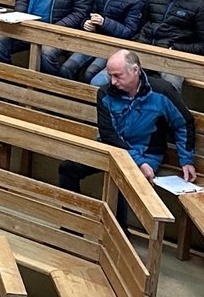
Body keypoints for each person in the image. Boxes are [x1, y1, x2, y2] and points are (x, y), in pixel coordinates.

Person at [58, 49, 195, 224]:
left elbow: (184, 123)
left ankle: (119, 240)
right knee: (68, 168)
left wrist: (186, 159)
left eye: (118, 76)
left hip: (148, 153)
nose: (113, 82)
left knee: (122, 180)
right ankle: (72, 227)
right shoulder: (105, 94)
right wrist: (138, 162)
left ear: (135, 71)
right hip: (114, 148)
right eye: (110, 76)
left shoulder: (162, 91)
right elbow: (109, 135)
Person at [88, 0, 204, 93]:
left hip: (172, 58)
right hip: (143, 50)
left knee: (169, 89)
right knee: (99, 81)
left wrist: (175, 48)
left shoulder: (201, 6)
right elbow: (139, 27)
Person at [58, 0, 147, 84]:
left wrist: (104, 23)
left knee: (91, 73)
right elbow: (88, 13)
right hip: (95, 39)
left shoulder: (136, 0)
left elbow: (130, 31)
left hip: (115, 45)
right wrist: (86, 23)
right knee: (66, 68)